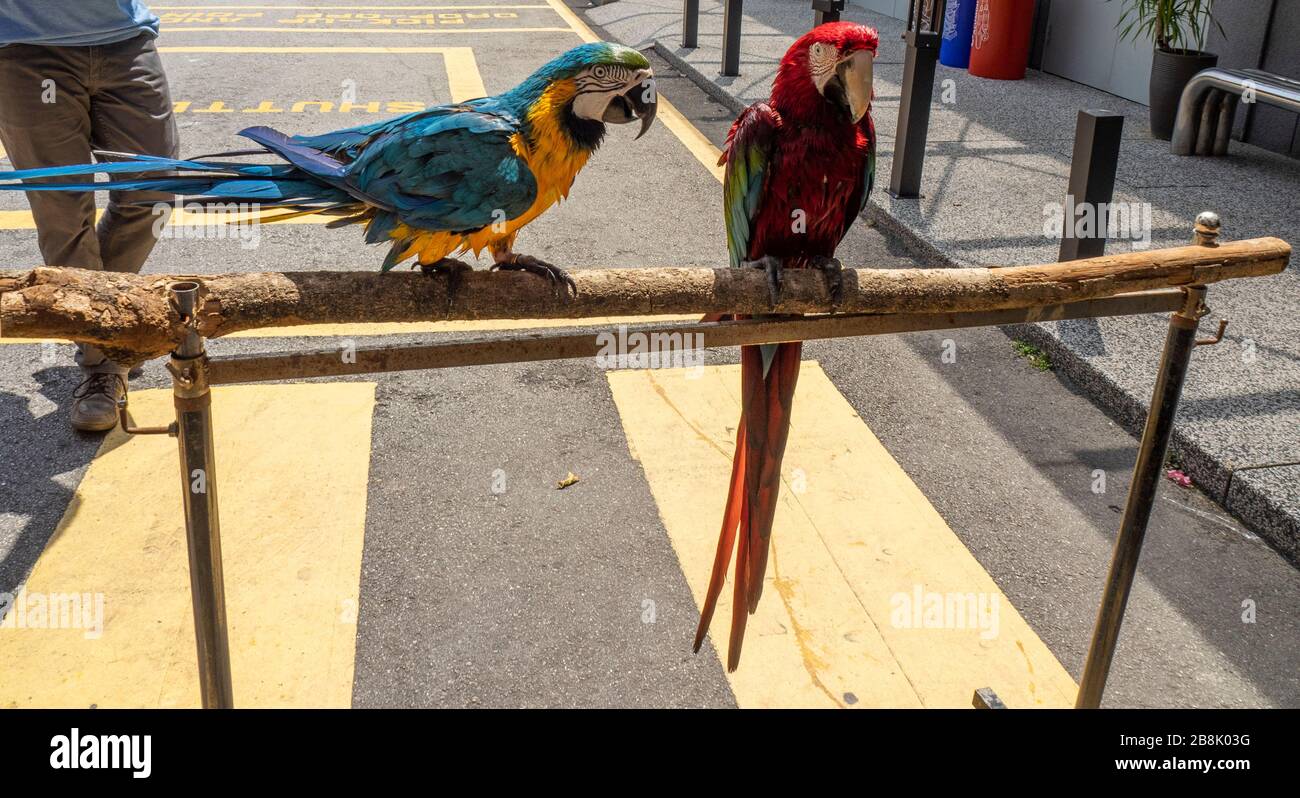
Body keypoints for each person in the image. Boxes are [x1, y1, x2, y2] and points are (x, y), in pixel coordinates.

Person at [0, 1, 178, 431]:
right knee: (63, 211)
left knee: (153, 192)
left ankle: (104, 331)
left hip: (124, 40)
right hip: (25, 49)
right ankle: (103, 361)